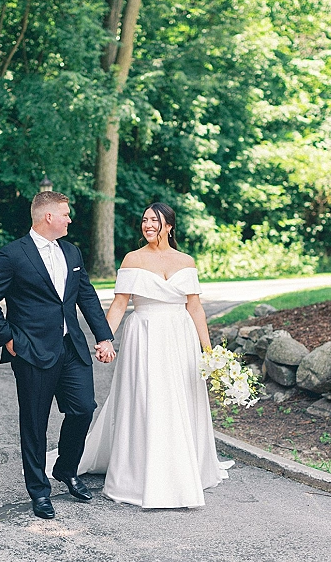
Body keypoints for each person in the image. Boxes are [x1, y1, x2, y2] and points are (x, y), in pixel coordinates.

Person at [78, 202, 233, 508]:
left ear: (169, 226)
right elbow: (120, 304)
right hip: (144, 335)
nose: (148, 225)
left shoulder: (185, 261)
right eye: (145, 219)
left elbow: (195, 307)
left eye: (154, 220)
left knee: (180, 397)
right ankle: (139, 473)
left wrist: (208, 351)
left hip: (179, 335)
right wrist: (105, 339)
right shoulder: (133, 259)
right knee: (147, 397)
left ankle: (184, 467)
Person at [0, 192, 116, 520]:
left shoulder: (72, 251)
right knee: (35, 424)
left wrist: (104, 335)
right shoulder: (12, 254)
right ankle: (39, 491)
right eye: (65, 214)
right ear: (47, 217)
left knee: (83, 409)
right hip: (31, 351)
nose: (70, 219)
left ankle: (66, 469)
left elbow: (86, 296)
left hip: (71, 348)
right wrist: (8, 339)